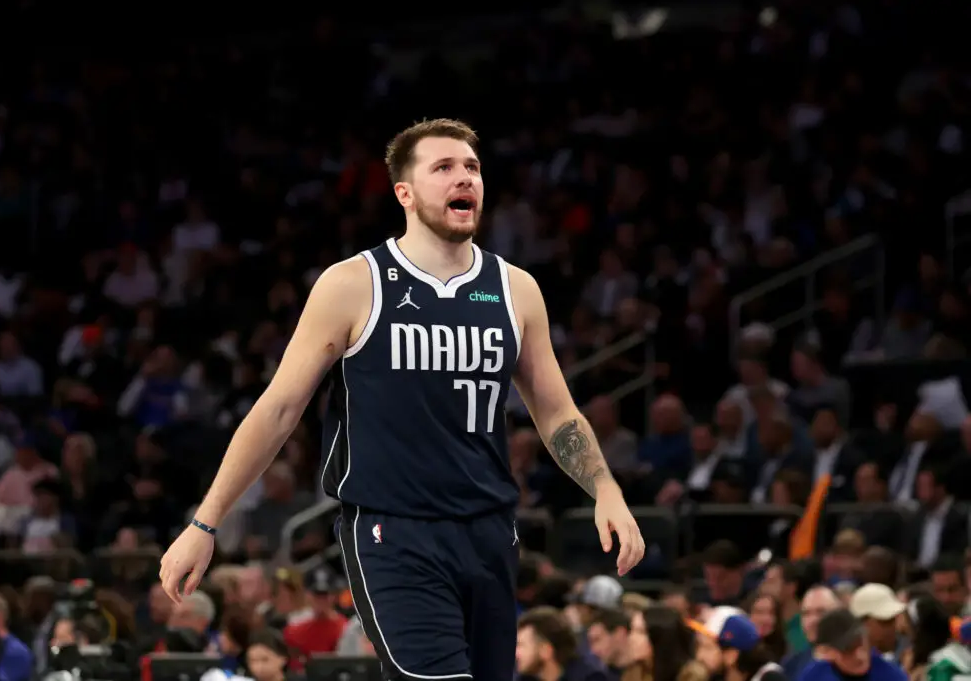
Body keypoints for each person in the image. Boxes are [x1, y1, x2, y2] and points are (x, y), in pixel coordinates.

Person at [159, 118, 646, 681]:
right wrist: (205, 524)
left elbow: (556, 412)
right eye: (443, 167)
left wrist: (605, 489)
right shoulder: (353, 284)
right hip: (394, 532)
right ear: (405, 194)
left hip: (490, 531)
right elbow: (278, 410)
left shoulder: (516, 289)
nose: (464, 177)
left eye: (472, 167)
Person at [797, 609, 906, 681]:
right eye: (848, 649)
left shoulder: (891, 675)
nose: (859, 655)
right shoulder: (814, 676)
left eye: (861, 643)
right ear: (827, 653)